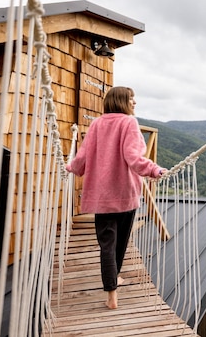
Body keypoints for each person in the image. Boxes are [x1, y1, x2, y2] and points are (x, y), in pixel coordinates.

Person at [66, 86, 166, 309]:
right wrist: (154, 170)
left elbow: (82, 156)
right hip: (125, 194)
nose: (134, 103)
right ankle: (114, 280)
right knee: (120, 242)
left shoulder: (96, 124)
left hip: (101, 197)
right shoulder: (129, 122)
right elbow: (133, 157)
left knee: (107, 245)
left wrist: (71, 167)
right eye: (131, 98)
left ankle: (112, 293)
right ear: (122, 101)